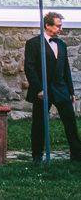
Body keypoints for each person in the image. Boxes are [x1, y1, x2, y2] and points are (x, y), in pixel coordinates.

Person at [23, 11, 81, 162]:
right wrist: (39, 89)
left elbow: (66, 69)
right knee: (39, 123)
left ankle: (76, 154)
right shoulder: (33, 43)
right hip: (43, 90)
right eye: (58, 26)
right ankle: (37, 155)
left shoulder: (61, 44)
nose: (61, 29)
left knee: (70, 121)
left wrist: (71, 91)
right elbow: (29, 68)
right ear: (47, 25)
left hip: (61, 89)